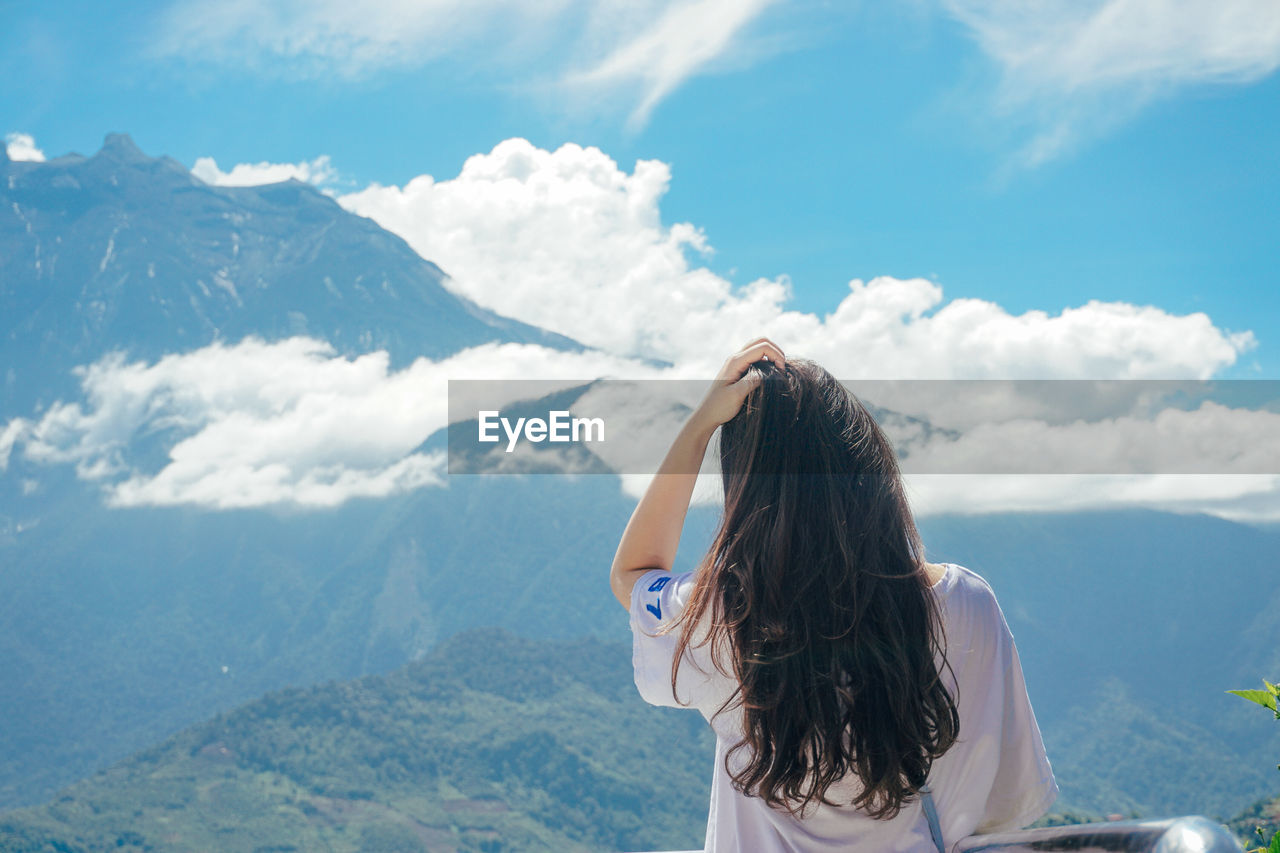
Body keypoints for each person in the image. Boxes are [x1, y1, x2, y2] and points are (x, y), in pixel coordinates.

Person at [609, 338, 1057, 853]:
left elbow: (634, 572)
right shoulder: (965, 603)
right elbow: (1003, 807)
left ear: (745, 488)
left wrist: (701, 425)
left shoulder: (725, 619)